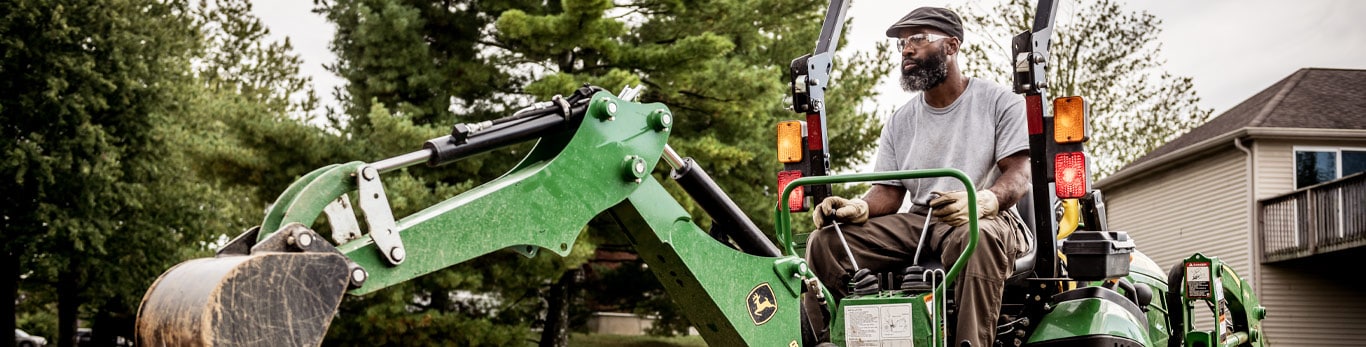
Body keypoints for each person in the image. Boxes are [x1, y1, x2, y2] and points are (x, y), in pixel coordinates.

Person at [803, 6, 1031, 347]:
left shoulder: (1000, 102)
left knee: (977, 238)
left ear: (952, 46)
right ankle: (829, 338)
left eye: (919, 39)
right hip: (920, 221)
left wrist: (984, 200)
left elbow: (1018, 173)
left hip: (986, 216)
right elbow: (889, 194)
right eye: (903, 43)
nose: (907, 49)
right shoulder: (900, 120)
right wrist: (858, 208)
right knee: (825, 242)